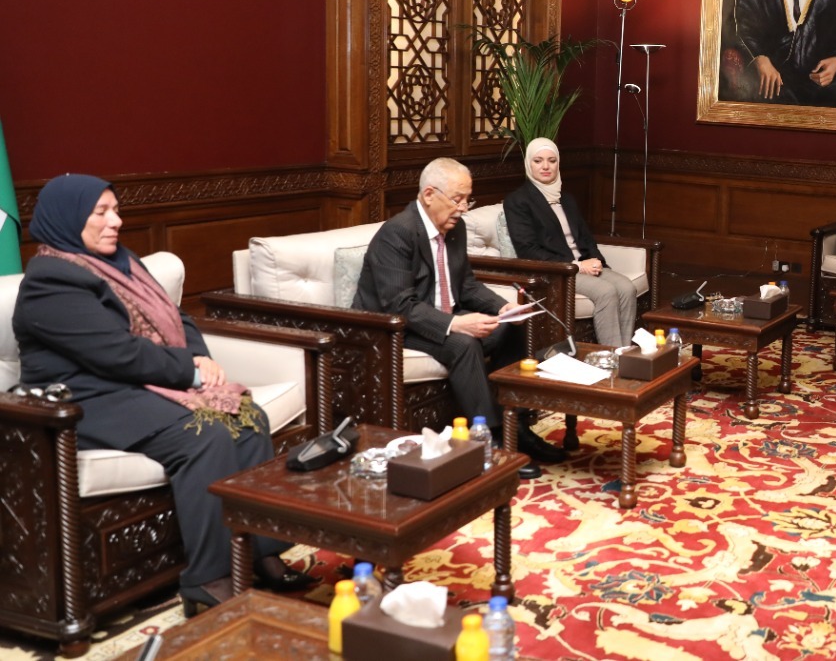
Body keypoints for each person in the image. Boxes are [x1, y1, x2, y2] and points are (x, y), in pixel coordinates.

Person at [13, 174, 312, 615]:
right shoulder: (50, 282)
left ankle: (259, 553)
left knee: (249, 420)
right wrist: (191, 372)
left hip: (136, 385)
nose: (116, 221)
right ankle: (208, 579)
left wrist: (199, 357)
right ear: (68, 218)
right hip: (85, 400)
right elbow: (116, 353)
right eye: (100, 212)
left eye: (116, 210)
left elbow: (177, 317)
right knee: (205, 435)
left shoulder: (124, 260)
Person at [352, 158, 565, 466]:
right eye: (457, 199)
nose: (464, 208)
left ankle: (517, 426)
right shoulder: (397, 233)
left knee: (510, 327)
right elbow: (398, 304)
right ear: (429, 194)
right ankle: (493, 439)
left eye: (468, 199)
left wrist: (502, 307)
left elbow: (465, 285)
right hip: (391, 329)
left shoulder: (455, 227)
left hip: (436, 316)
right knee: (464, 344)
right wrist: (456, 324)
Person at [504, 138, 637, 348]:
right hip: (556, 270)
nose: (546, 166)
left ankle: (624, 351)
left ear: (558, 163)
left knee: (626, 287)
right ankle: (611, 355)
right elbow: (527, 250)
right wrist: (576, 266)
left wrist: (596, 260)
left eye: (552, 161)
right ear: (529, 164)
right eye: (538, 161)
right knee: (606, 292)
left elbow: (585, 237)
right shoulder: (518, 201)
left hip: (582, 265)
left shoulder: (566, 198)